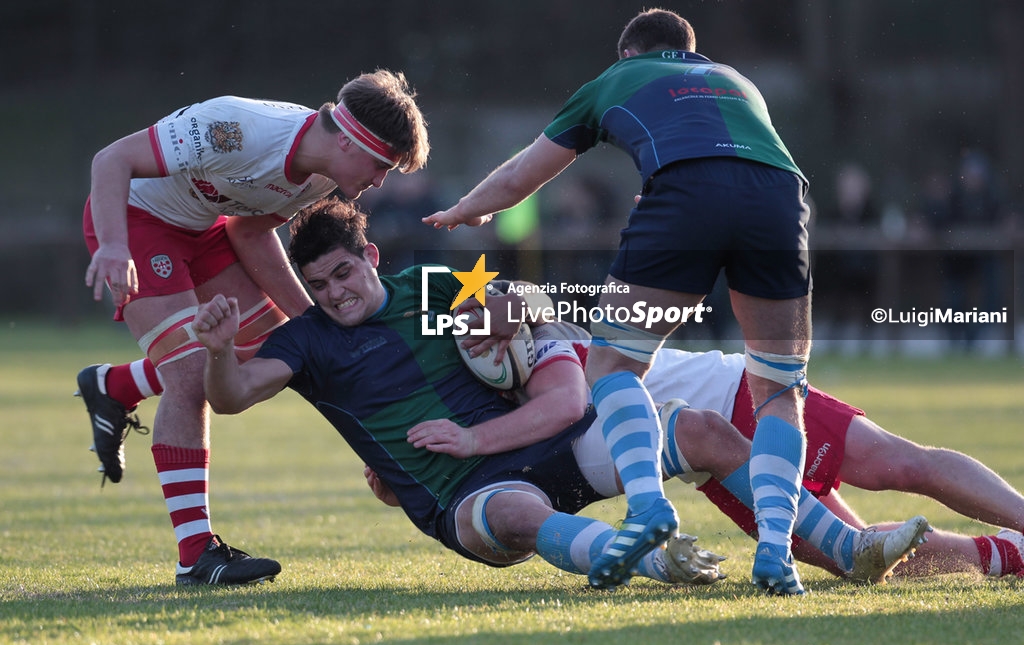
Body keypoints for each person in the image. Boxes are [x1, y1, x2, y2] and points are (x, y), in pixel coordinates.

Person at [194, 197, 932, 590]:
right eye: (318, 286)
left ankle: (848, 547)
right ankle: (653, 560)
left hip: (545, 446)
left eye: (343, 276)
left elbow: (523, 296)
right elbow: (233, 396)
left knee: (699, 430)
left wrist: (507, 305)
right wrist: (223, 349)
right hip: (465, 500)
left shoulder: (427, 287)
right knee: (520, 510)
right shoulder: (308, 342)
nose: (334, 295)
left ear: (370, 259)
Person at [423, 9, 813, 594]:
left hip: (685, 196)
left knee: (612, 365)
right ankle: (777, 551)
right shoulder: (737, 80)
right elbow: (734, 158)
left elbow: (522, 177)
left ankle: (649, 506)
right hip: (780, 199)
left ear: (629, 54)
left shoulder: (612, 80)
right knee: (781, 388)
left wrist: (465, 209)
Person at [76, 70, 430, 586]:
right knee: (193, 376)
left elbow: (248, 228)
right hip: (137, 222)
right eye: (382, 165)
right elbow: (112, 160)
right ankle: (196, 555)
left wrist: (313, 322)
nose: (381, 181)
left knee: (284, 354)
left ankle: (116, 387)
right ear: (350, 141)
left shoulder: (326, 173)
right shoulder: (238, 128)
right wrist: (112, 244)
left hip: (207, 231)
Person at [492, 320, 1024, 580]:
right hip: (719, 469)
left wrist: (470, 438)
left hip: (744, 395)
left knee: (901, 464)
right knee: (856, 555)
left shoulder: (542, 341)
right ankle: (1009, 556)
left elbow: (559, 387)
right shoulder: (491, 395)